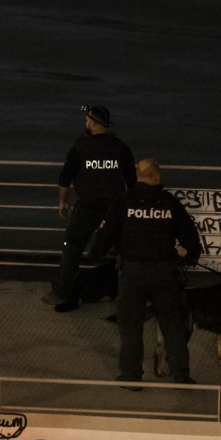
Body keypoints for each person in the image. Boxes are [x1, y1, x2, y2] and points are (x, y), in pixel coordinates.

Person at [90, 159, 201, 390]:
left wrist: (96, 254)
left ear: (137, 177)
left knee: (130, 325)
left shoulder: (122, 202)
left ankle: (131, 376)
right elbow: (190, 236)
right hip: (164, 272)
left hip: (132, 272)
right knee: (171, 324)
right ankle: (181, 375)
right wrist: (190, 258)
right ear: (157, 178)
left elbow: (105, 235)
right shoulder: (169, 203)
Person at [42, 105, 136, 307]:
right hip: (114, 209)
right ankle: (128, 293)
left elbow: (65, 177)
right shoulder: (121, 148)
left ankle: (61, 292)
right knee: (124, 251)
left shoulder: (79, 148)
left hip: (86, 208)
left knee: (72, 247)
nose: (85, 124)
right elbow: (132, 181)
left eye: (87, 120)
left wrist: (62, 202)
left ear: (93, 123)